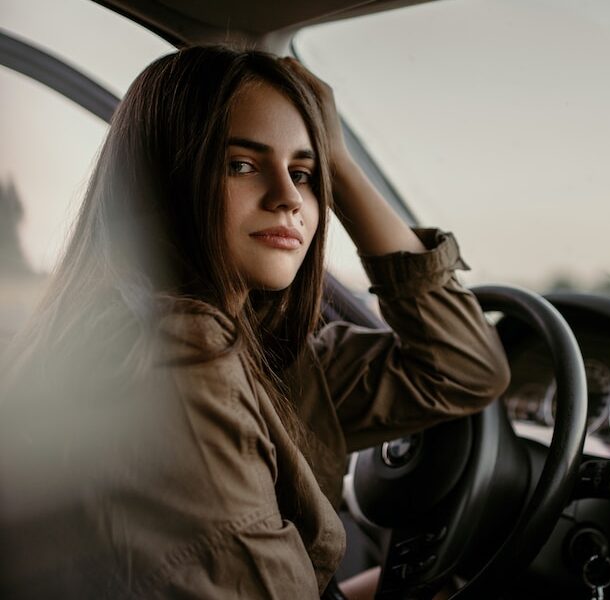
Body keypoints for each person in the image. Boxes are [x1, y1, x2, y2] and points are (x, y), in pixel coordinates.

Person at [0, 47, 510, 599]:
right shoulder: (179, 352)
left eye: (305, 173)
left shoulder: (257, 352)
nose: (289, 198)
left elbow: (464, 367)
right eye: (241, 164)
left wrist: (336, 156)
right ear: (163, 179)